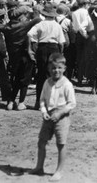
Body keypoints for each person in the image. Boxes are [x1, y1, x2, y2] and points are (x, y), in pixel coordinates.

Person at [30, 53, 76, 181]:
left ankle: (59, 171)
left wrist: (60, 113)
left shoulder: (67, 84)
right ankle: (39, 167)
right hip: (49, 115)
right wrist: (44, 111)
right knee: (41, 141)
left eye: (59, 68)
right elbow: (43, 99)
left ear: (64, 68)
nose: (56, 71)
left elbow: (72, 103)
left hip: (62, 116)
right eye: (53, 68)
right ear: (49, 69)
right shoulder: (47, 82)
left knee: (61, 143)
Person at [28, 3, 65, 108]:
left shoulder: (40, 24)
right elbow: (62, 42)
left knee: (41, 75)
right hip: (54, 48)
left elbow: (30, 34)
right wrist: (61, 53)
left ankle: (38, 102)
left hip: (42, 48)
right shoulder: (57, 26)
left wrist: (34, 43)